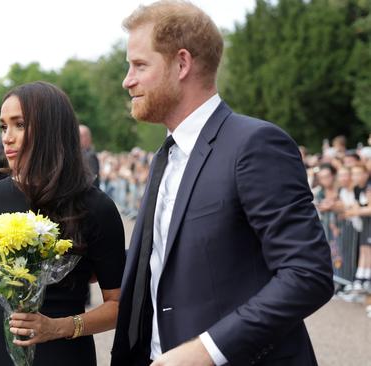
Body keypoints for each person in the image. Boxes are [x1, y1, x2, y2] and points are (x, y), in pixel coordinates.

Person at [111, 2, 333, 366]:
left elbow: (308, 274)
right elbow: (173, 263)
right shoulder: (164, 157)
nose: (127, 80)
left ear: (182, 64)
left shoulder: (255, 144)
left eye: (139, 65)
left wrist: (208, 350)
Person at [0, 81, 126, 366]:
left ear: (51, 130)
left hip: (64, 353)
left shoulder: (95, 206)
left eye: (20, 125)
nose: (7, 137)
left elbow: (117, 305)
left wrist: (59, 327)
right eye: (3, 127)